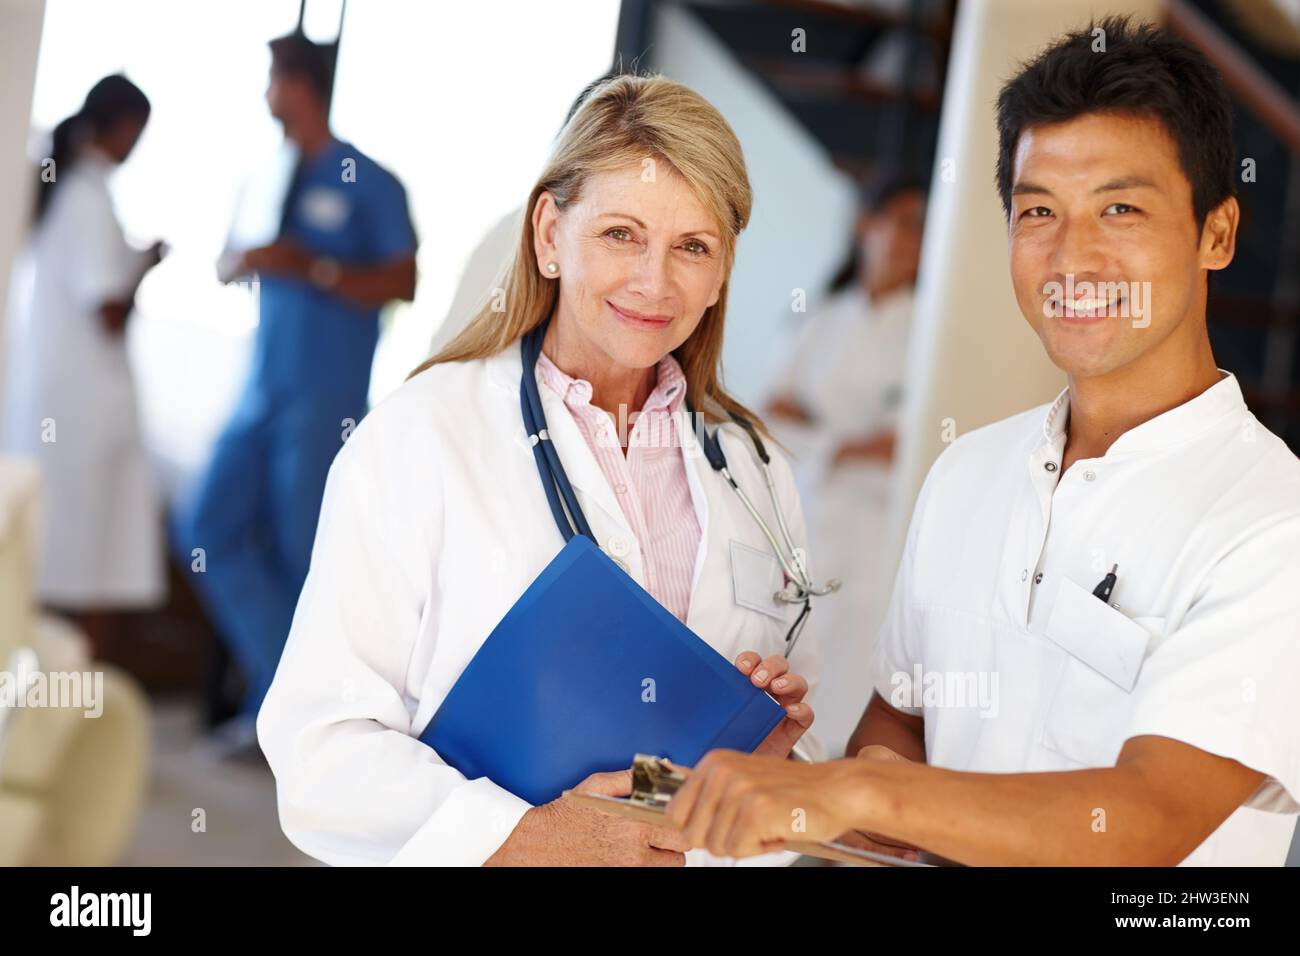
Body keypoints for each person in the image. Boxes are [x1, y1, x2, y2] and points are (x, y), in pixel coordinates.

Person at [664, 16, 1300, 866]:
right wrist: (795, 778)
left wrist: (856, 791)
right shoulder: (966, 473)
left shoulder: (1270, 519)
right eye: (1039, 210)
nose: (1073, 255)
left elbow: (1147, 820)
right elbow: (899, 730)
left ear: (1217, 233)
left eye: (1120, 208)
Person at [257, 74, 826, 866]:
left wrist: (757, 777)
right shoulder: (419, 438)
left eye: (692, 246)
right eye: (621, 234)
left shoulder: (756, 470)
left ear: (723, 268)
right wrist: (522, 837)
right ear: (550, 234)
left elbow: (674, 790)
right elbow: (320, 750)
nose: (654, 283)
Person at [173, 32, 417, 741]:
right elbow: (230, 258)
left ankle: (290, 724)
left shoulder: (365, 180)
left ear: (300, 88)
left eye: (272, 80)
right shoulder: (266, 176)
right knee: (206, 529)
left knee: (304, 557)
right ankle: (288, 695)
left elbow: (402, 279)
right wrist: (242, 260)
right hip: (262, 387)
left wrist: (314, 267)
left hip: (324, 400)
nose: (265, 96)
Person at [1, 75, 165, 656]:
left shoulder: (66, 190)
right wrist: (145, 265)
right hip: (84, 410)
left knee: (57, 551)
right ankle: (70, 701)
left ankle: (52, 697)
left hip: (60, 402)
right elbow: (108, 312)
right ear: (121, 126)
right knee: (89, 557)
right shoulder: (88, 199)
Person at [764, 176, 926, 754]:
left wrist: (821, 433)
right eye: (904, 223)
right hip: (808, 511)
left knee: (862, 661)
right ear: (867, 224)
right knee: (790, 649)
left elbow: (912, 437)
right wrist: (849, 443)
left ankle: (840, 803)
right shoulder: (822, 317)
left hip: (879, 526)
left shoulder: (926, 328)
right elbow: (770, 414)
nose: (914, 242)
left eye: (924, 231)